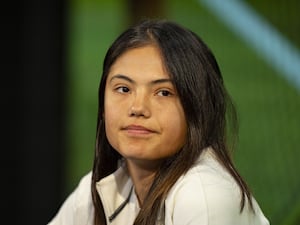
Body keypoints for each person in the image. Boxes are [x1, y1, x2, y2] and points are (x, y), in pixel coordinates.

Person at [47, 19, 270, 225]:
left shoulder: (203, 195)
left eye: (163, 93)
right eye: (123, 89)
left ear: (198, 108)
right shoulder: (101, 188)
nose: (137, 108)